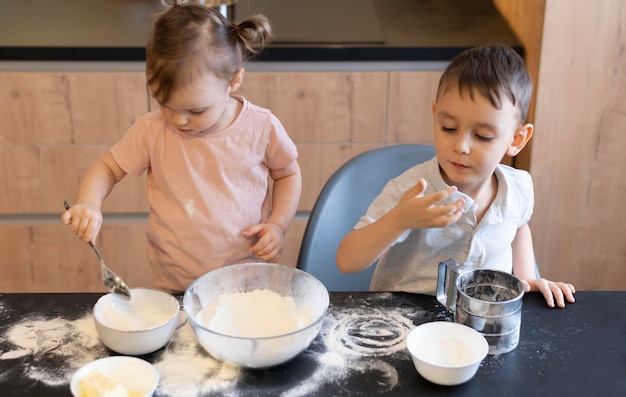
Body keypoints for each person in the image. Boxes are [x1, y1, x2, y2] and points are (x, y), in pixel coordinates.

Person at [62, 1, 302, 292]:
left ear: (234, 80)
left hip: (244, 283)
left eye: (196, 110)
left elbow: (287, 174)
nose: (178, 119)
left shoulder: (261, 127)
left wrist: (277, 225)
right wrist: (89, 202)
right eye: (164, 103)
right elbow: (107, 168)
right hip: (175, 284)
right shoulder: (152, 129)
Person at [336, 44, 575, 308]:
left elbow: (517, 227)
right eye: (449, 128)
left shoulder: (517, 188)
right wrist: (400, 219)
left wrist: (527, 278)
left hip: (480, 322)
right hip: (407, 322)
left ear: (516, 139)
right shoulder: (412, 192)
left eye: (482, 136)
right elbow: (347, 261)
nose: (461, 146)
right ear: (435, 114)